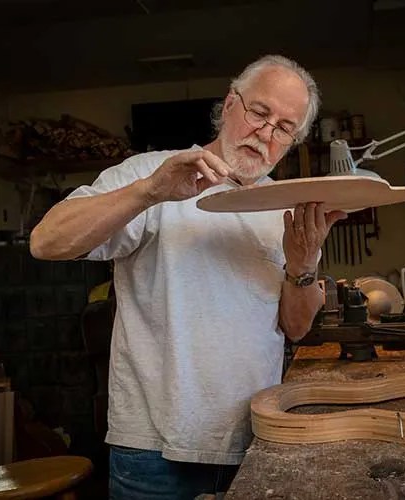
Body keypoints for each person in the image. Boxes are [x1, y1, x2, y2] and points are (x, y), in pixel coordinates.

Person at [29, 54, 347, 499]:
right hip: (155, 451)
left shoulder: (284, 205)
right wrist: (150, 193)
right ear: (230, 104)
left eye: (284, 127)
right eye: (260, 112)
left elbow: (295, 326)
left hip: (255, 439)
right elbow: (47, 241)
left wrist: (302, 264)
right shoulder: (151, 173)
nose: (266, 132)